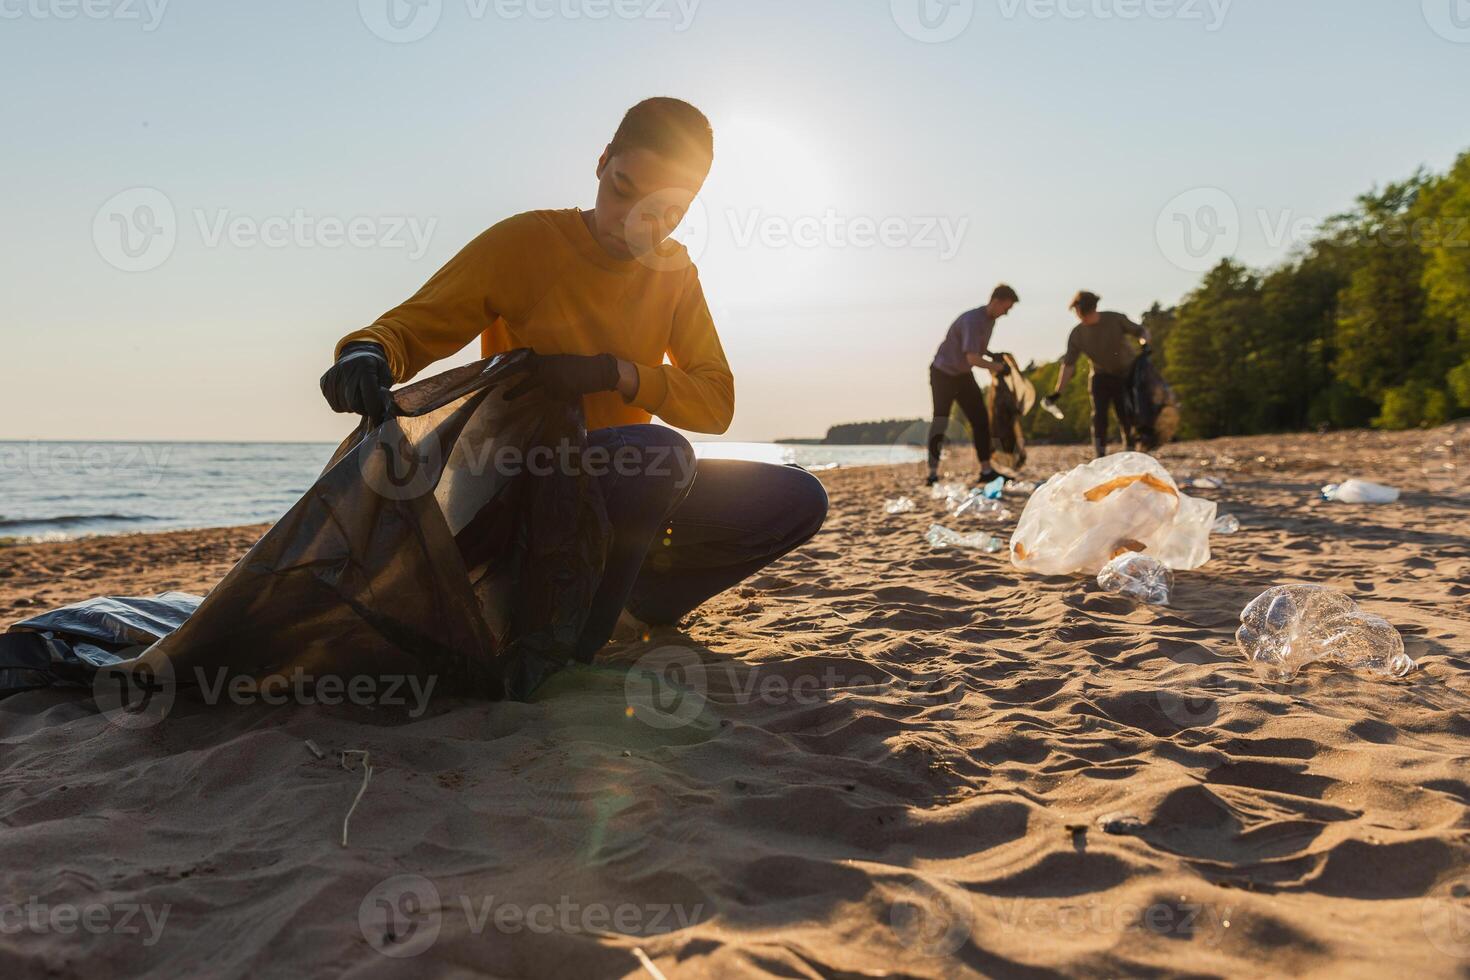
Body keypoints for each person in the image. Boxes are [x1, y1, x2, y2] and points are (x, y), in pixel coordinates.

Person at [318, 97, 829, 661]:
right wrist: (363, 354)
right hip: (519, 486)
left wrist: (616, 374)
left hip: (627, 482)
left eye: (666, 213)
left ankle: (637, 604)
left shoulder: (675, 274)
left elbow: (716, 402)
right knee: (660, 454)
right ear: (602, 160)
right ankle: (568, 649)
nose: (635, 224)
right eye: (623, 190)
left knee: (796, 497)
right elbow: (410, 328)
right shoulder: (526, 243)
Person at [925, 285, 1019, 486]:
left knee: (980, 420)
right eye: (1006, 308)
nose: (1006, 313)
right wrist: (997, 367)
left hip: (963, 375)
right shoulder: (973, 320)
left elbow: (978, 350)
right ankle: (932, 473)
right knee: (941, 420)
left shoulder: (990, 321)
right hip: (943, 373)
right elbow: (972, 357)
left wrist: (992, 355)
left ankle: (986, 470)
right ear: (996, 301)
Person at [1045, 291, 1152, 459]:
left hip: (1126, 374)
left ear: (1092, 308)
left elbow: (1141, 331)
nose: (1081, 317)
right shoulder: (1078, 333)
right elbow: (1068, 365)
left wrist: (1144, 344)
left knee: (1126, 414)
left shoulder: (1115, 319)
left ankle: (1130, 451)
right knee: (1099, 416)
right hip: (1100, 376)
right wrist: (1057, 392)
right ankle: (1100, 454)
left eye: (1082, 313)